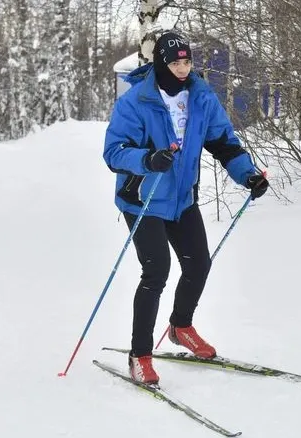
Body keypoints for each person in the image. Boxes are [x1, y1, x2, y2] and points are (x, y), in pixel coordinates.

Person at [103, 30, 269, 384]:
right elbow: (114, 153)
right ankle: (140, 355)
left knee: (198, 263)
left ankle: (180, 327)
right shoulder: (136, 102)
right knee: (156, 271)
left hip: (181, 198)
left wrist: (248, 176)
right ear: (162, 63)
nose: (182, 68)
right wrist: (148, 158)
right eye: (176, 62)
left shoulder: (201, 98)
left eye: (187, 61)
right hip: (143, 199)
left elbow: (225, 144)